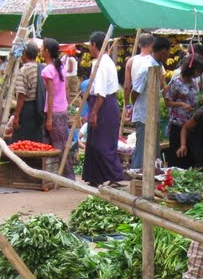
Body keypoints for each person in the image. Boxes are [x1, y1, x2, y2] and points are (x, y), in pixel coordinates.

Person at [82, 31, 126, 188]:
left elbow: (101, 92)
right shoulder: (107, 61)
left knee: (102, 143)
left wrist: (94, 112)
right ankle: (95, 177)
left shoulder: (100, 63)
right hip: (104, 103)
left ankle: (116, 174)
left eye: (90, 45)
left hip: (103, 105)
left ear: (94, 45)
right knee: (94, 142)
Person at [130, 35, 171, 170]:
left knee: (153, 149)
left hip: (153, 114)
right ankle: (136, 176)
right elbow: (135, 91)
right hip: (144, 115)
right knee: (142, 148)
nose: (168, 55)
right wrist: (133, 108)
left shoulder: (157, 66)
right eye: (168, 52)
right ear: (163, 51)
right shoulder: (147, 67)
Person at [40, 38, 76, 180]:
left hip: (54, 111)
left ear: (47, 52)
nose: (41, 50)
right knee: (58, 144)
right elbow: (64, 89)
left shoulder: (48, 70)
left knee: (57, 146)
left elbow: (50, 95)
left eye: (42, 48)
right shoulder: (60, 66)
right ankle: (55, 175)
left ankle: (66, 176)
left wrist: (49, 118)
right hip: (62, 109)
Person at [165, 56, 203, 168]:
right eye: (198, 70)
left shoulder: (194, 82)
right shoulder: (176, 82)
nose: (199, 73)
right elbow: (168, 102)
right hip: (178, 123)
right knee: (177, 156)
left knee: (189, 157)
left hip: (191, 123)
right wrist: (181, 104)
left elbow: (195, 99)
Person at [7, 42, 45, 146]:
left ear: (24, 53)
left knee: (21, 141)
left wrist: (17, 116)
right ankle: (35, 161)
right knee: (36, 140)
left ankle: (23, 160)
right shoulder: (43, 68)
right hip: (40, 108)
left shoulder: (23, 70)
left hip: (27, 109)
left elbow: (21, 95)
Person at [123, 32, 153, 121]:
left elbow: (126, 87)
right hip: (151, 106)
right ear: (152, 45)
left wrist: (128, 106)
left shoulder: (131, 61)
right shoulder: (154, 62)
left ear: (139, 45)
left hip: (137, 106)